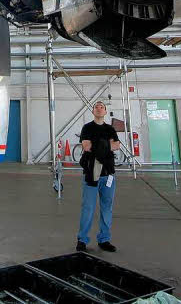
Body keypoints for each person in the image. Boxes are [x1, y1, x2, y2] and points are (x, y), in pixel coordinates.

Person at [75, 101, 120, 253]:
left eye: (102, 107)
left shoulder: (110, 129)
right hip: (91, 175)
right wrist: (105, 145)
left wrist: (99, 145)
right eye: (96, 107)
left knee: (107, 208)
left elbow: (117, 145)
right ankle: (82, 240)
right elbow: (86, 146)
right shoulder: (87, 128)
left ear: (105, 111)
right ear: (93, 111)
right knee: (88, 208)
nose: (99, 109)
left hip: (108, 174)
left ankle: (104, 239)